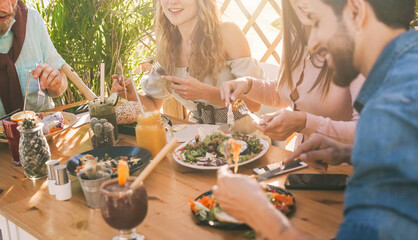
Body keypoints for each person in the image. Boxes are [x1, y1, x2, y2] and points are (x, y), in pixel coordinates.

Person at [214, 0, 418, 239]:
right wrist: (344, 151)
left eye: (319, 22)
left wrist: (260, 214)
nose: (311, 44)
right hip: (309, 175)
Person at [220, 0, 364, 145]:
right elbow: (289, 93)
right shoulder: (296, 33)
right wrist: (248, 84)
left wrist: (303, 122)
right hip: (303, 161)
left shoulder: (361, 41)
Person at [111, 0, 265, 128]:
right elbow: (153, 105)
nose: (172, 2)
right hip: (198, 138)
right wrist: (130, 94)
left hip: (242, 136)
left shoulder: (227, 33)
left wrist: (206, 93)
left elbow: (254, 104)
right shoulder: (167, 48)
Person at [0, 0, 68, 118]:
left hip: (45, 128)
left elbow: (60, 86)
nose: (9, 9)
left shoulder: (32, 19)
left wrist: (56, 82)